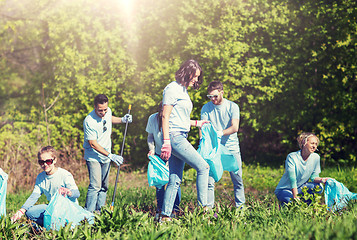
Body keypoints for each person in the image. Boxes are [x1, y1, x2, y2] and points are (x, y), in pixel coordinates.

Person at [160, 59, 210, 222]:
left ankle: (165, 216)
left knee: (174, 179)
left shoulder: (183, 91)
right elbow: (165, 115)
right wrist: (166, 142)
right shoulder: (172, 89)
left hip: (180, 134)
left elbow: (180, 118)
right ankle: (204, 213)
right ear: (187, 73)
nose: (196, 80)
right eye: (195, 76)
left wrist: (197, 123)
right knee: (203, 167)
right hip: (174, 137)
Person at [83, 94, 132, 212]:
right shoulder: (89, 121)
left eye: (105, 109)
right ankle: (88, 214)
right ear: (95, 107)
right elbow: (92, 143)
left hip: (106, 156)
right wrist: (111, 155)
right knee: (95, 186)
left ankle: (99, 211)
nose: (103, 112)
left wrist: (122, 119)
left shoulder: (107, 111)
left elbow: (109, 117)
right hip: (94, 157)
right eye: (100, 110)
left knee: (104, 186)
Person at [200, 80, 246, 209]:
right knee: (210, 181)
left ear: (222, 92)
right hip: (214, 149)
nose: (213, 99)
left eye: (215, 96)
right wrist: (203, 143)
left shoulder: (233, 106)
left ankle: (240, 208)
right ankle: (208, 210)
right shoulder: (206, 108)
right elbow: (203, 127)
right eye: (210, 97)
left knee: (237, 180)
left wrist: (220, 133)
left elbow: (235, 127)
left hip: (231, 148)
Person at [11, 146, 80, 226]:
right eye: (41, 162)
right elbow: (34, 196)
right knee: (30, 213)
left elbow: (77, 194)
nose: (45, 164)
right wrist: (21, 211)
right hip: (52, 208)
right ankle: (49, 225)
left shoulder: (65, 175)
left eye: (48, 161)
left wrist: (69, 192)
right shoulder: (40, 177)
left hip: (68, 209)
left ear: (55, 160)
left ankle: (58, 225)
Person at [275, 132, 331, 205]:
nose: (314, 146)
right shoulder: (292, 157)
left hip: (300, 188)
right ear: (304, 142)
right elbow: (292, 179)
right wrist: (295, 196)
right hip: (284, 189)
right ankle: (286, 207)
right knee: (291, 202)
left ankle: (306, 206)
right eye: (312, 143)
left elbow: (314, 177)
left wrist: (322, 180)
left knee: (319, 187)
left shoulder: (316, 157)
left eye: (316, 144)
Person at [146, 102, 181, 218]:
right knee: (159, 183)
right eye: (162, 112)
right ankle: (160, 209)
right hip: (158, 154)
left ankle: (175, 210)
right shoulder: (152, 118)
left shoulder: (174, 118)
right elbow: (150, 136)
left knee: (174, 181)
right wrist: (151, 149)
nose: (164, 114)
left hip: (173, 152)